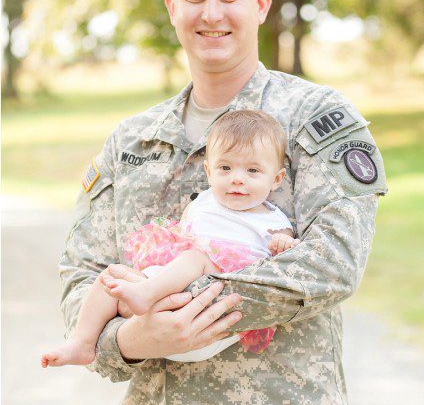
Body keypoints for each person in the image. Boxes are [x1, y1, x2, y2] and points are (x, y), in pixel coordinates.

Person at [59, 0, 387, 405]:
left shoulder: (315, 119)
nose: (212, 13)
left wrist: (189, 313)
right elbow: (82, 275)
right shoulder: (131, 141)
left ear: (260, 4)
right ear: (172, 6)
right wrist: (133, 342)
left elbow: (333, 262)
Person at [43, 109, 297, 368]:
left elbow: (285, 251)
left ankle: (144, 294)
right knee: (110, 277)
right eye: (225, 167)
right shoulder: (204, 201)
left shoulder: (272, 221)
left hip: (211, 316)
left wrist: (283, 244)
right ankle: (82, 342)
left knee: (197, 256)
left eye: (252, 171)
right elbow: (184, 234)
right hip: (165, 306)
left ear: (276, 179)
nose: (237, 179)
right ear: (209, 172)